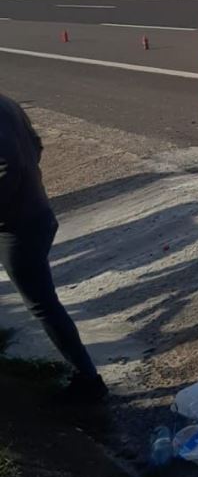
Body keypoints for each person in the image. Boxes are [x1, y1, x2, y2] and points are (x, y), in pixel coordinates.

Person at [0, 92, 107, 403]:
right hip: (33, 214)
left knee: (42, 304)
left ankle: (89, 380)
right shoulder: (7, 103)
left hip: (20, 226)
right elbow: (35, 145)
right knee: (43, 302)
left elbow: (10, 166)